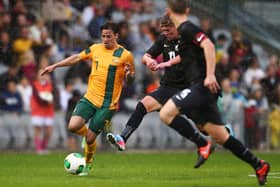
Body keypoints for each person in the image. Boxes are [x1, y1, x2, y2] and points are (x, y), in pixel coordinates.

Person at [156, 0, 270, 185]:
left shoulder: (186, 28)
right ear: (187, 9)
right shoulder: (184, 33)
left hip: (202, 86)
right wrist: (168, 63)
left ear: (169, 10)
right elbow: (190, 55)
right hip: (202, 89)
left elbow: (208, 45)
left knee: (166, 113)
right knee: (221, 136)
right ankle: (259, 164)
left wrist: (209, 76)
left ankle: (202, 144)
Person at [107, 15, 212, 169]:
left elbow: (188, 57)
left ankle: (213, 138)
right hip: (167, 86)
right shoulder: (163, 39)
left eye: (169, 31)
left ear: (177, 27)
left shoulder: (187, 39)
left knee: (204, 127)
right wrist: (149, 60)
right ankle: (122, 138)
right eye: (164, 31)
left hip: (187, 88)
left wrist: (165, 63)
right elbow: (146, 56)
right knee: (143, 105)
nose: (166, 35)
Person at [41, 21, 135, 176]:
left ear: (116, 36)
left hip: (108, 105)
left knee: (91, 139)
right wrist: (54, 66)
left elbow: (131, 79)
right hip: (90, 98)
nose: (105, 39)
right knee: (72, 126)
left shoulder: (125, 55)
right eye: (103, 36)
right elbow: (76, 58)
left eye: (109, 36)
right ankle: (87, 136)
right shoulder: (95, 48)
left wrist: (128, 74)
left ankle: (88, 164)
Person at [31, 70, 54, 154]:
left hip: (48, 111)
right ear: (37, 75)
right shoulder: (35, 85)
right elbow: (36, 97)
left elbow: (54, 95)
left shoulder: (51, 85)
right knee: (38, 130)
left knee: (48, 131)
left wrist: (50, 81)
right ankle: (38, 148)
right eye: (41, 74)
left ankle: (44, 147)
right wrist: (46, 102)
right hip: (37, 110)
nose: (43, 76)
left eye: (44, 74)